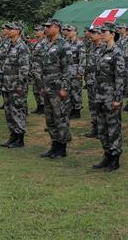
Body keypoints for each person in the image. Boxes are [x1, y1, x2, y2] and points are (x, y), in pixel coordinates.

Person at [35, 19, 72, 159]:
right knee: (50, 118)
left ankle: (62, 148)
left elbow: (68, 68)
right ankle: (54, 145)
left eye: (48, 27)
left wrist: (64, 87)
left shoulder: (64, 45)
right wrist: (41, 86)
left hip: (58, 88)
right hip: (47, 87)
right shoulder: (46, 44)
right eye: (45, 26)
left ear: (57, 28)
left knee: (60, 117)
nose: (46, 29)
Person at [91, 23, 126, 171]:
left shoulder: (117, 52)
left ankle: (114, 157)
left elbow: (120, 77)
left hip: (111, 95)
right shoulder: (101, 51)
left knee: (113, 127)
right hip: (100, 94)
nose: (102, 34)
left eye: (105, 31)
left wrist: (117, 98)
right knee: (102, 127)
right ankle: (107, 154)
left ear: (112, 34)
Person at [0, 23, 31, 149]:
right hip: (7, 84)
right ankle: (13, 136)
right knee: (9, 112)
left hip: (16, 86)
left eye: (11, 29)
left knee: (17, 111)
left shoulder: (22, 47)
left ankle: (19, 138)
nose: (8, 31)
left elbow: (24, 68)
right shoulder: (9, 45)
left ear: (18, 31)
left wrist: (19, 84)